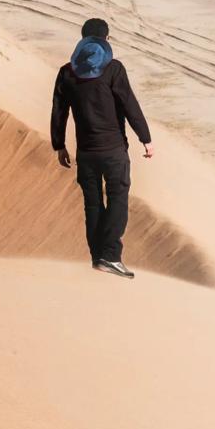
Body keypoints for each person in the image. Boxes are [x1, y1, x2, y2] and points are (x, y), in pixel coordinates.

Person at [47, 16, 155, 275]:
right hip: (114, 151)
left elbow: (58, 111)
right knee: (118, 199)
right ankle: (110, 256)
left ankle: (98, 259)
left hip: (86, 153)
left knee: (93, 204)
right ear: (106, 39)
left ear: (83, 40)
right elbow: (129, 104)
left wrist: (59, 145)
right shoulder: (114, 68)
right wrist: (145, 138)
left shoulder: (66, 72)